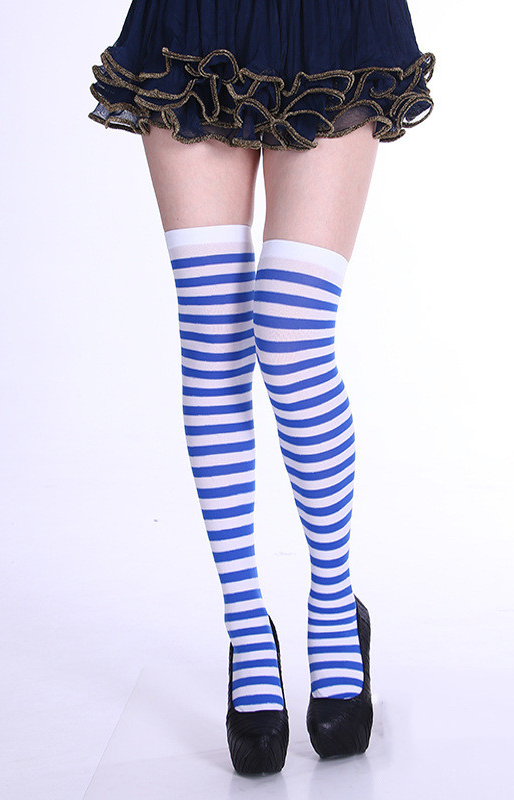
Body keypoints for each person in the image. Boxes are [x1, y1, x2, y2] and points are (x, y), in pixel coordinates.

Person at [88, 0, 435, 776]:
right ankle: (247, 625)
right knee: (211, 329)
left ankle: (334, 607)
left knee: (289, 330)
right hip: (194, 22)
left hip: (333, 21)